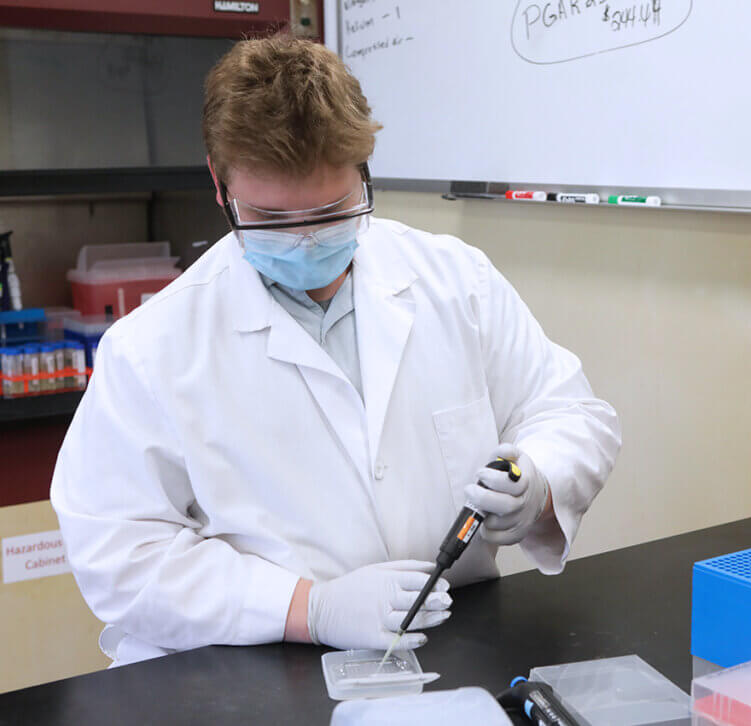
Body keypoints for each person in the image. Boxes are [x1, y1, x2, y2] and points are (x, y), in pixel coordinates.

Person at [51, 35, 621, 667]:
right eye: (271, 219)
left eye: (331, 209)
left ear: (364, 168)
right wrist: (307, 607)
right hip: (256, 669)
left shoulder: (455, 280)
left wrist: (538, 482)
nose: (306, 241)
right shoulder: (152, 348)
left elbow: (571, 413)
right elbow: (118, 551)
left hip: (457, 644)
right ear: (220, 185)